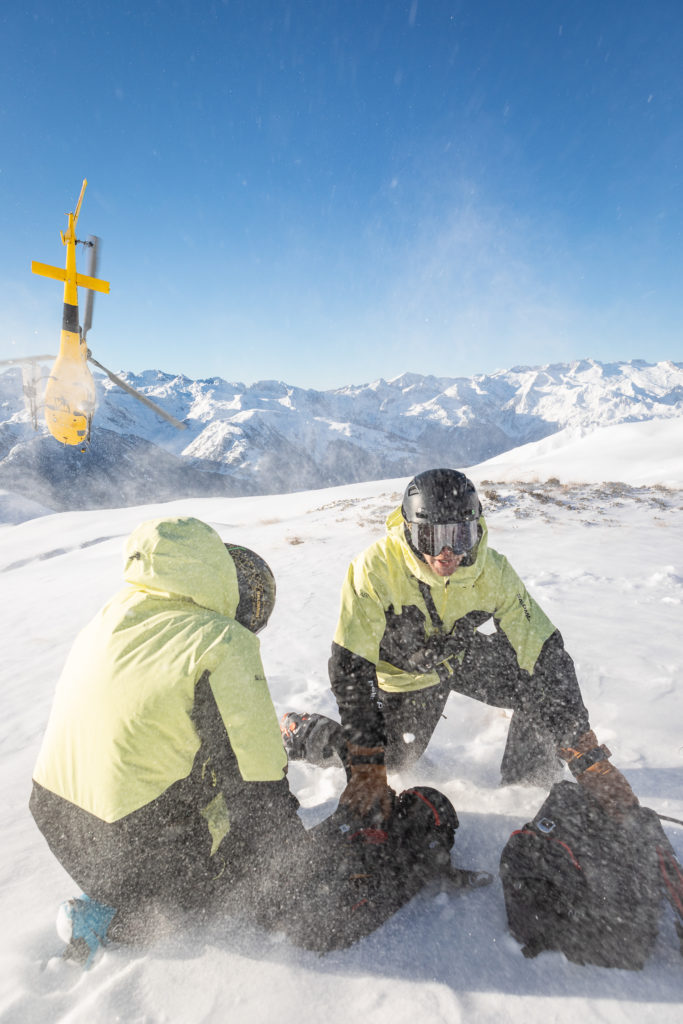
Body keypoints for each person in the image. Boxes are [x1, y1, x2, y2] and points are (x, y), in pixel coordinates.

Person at [30, 515, 464, 965]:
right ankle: (425, 816)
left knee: (206, 760)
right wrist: (297, 881)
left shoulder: (117, 614)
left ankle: (128, 904)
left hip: (67, 830)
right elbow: (261, 805)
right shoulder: (220, 642)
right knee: (313, 914)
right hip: (143, 854)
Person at [282, 468, 639, 825]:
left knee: (538, 679)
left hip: (463, 658)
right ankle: (308, 732)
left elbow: (545, 654)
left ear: (477, 529)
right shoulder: (374, 570)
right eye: (431, 537)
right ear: (408, 530)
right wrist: (365, 764)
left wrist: (589, 758)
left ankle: (528, 784)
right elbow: (351, 670)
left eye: (460, 535)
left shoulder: (493, 571)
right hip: (407, 678)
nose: (446, 554)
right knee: (392, 761)